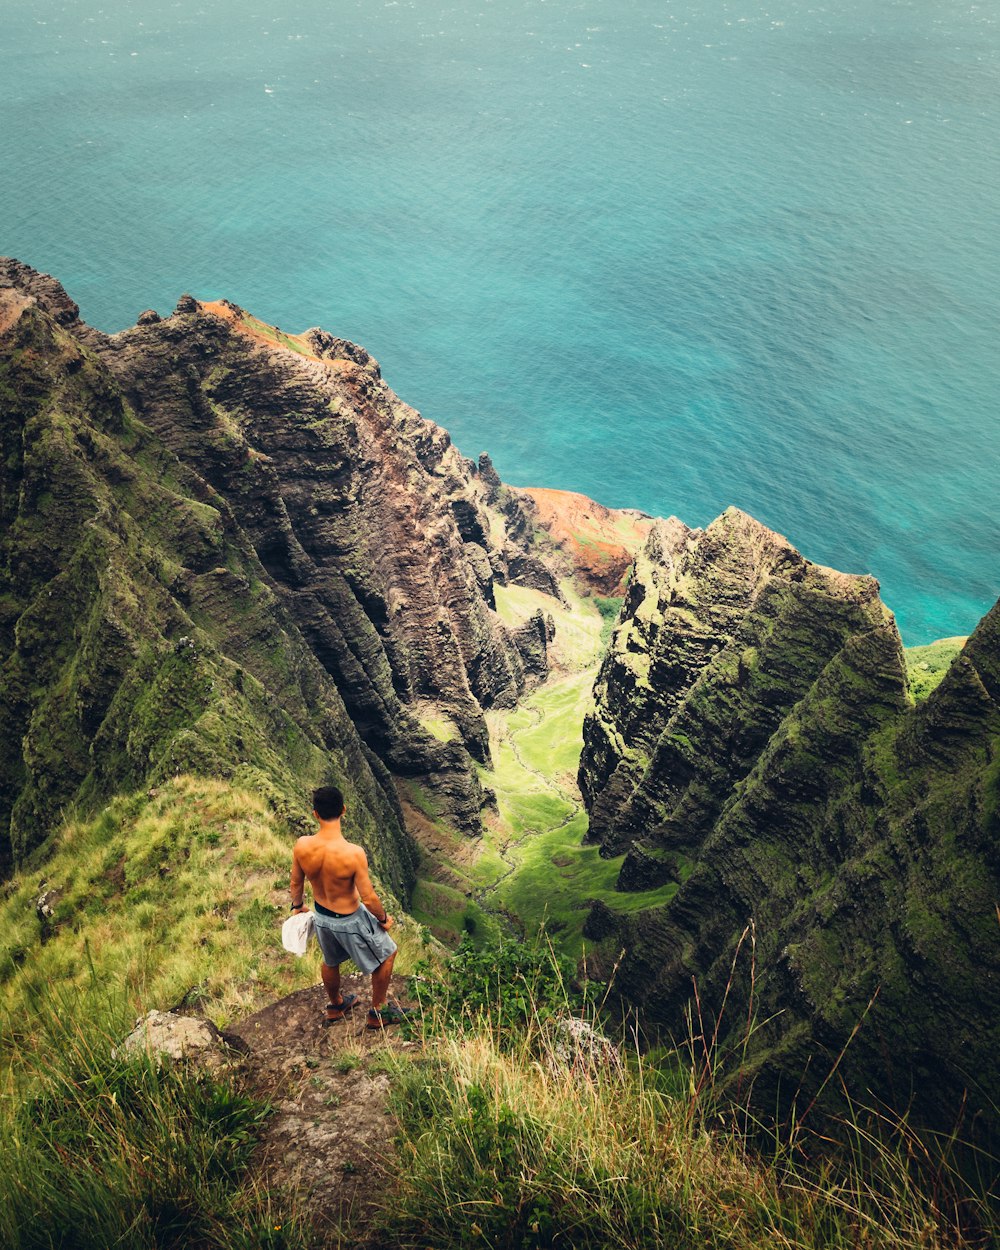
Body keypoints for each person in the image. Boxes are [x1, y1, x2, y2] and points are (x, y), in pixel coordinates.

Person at [289, 785, 407, 1029]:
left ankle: (336, 1005)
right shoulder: (353, 853)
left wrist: (298, 906)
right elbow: (369, 898)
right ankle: (379, 1010)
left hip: (322, 917)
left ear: (315, 814)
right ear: (343, 810)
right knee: (387, 954)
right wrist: (384, 919)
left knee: (330, 961)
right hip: (350, 919)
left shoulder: (302, 845)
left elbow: (295, 881)